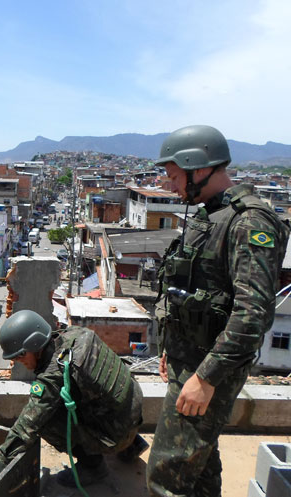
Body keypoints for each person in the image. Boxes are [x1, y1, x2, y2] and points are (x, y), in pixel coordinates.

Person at [146, 125, 290, 496]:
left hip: (209, 369)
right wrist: (170, 349)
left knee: (166, 476)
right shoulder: (213, 214)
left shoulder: (249, 222)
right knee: (199, 465)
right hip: (190, 360)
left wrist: (205, 378)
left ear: (198, 168)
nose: (171, 186)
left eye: (175, 176)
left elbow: (251, 313)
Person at [0, 310, 148, 488]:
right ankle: (132, 444)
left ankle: (93, 467)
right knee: (83, 395)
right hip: (133, 408)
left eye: (20, 355)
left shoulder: (55, 373)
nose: (17, 361)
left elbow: (27, 425)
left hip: (119, 431)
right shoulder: (75, 334)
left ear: (34, 345)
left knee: (46, 421)